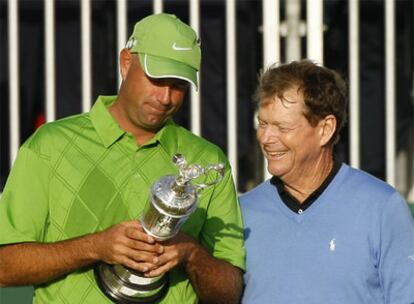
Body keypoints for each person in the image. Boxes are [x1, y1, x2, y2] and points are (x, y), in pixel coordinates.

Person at [0, 13, 245, 304]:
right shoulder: (49, 145)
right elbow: (5, 268)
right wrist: (95, 246)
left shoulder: (206, 159)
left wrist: (190, 253)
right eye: (157, 79)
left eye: (178, 85)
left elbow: (229, 293)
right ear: (126, 63)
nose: (166, 97)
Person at [240, 60, 414, 303]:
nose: (266, 138)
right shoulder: (242, 212)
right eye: (263, 123)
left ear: (325, 129)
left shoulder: (382, 207)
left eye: (282, 126)